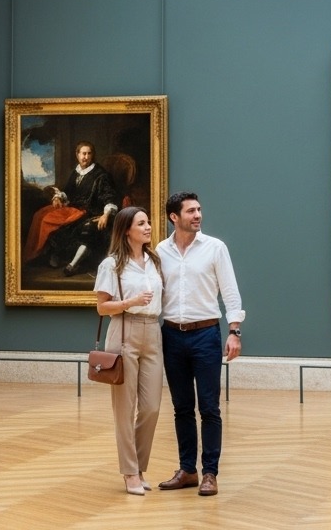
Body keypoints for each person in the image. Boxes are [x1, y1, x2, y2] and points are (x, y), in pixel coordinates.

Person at [156, 191, 244, 498]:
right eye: (191, 211)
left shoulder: (215, 248)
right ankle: (187, 471)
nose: (198, 215)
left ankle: (210, 473)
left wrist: (235, 332)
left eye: (199, 210)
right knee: (181, 408)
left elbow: (230, 292)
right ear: (174, 217)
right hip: (171, 335)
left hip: (206, 335)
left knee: (209, 407)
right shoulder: (160, 251)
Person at [93, 205, 164, 497]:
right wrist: (129, 302)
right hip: (124, 331)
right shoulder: (112, 265)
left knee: (151, 407)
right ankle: (130, 472)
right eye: (141, 223)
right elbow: (101, 307)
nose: (148, 227)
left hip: (153, 332)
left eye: (148, 222)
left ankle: (139, 465)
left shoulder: (155, 261)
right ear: (126, 230)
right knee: (125, 408)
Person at [39, 141, 119, 275]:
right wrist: (58, 197)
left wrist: (106, 214)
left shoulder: (100, 175)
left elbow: (108, 197)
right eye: (83, 153)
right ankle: (55, 254)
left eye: (89, 154)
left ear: (92, 155)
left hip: (92, 211)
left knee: (82, 229)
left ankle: (73, 264)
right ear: (77, 155)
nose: (85, 157)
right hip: (74, 209)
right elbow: (68, 192)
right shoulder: (76, 172)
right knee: (44, 216)